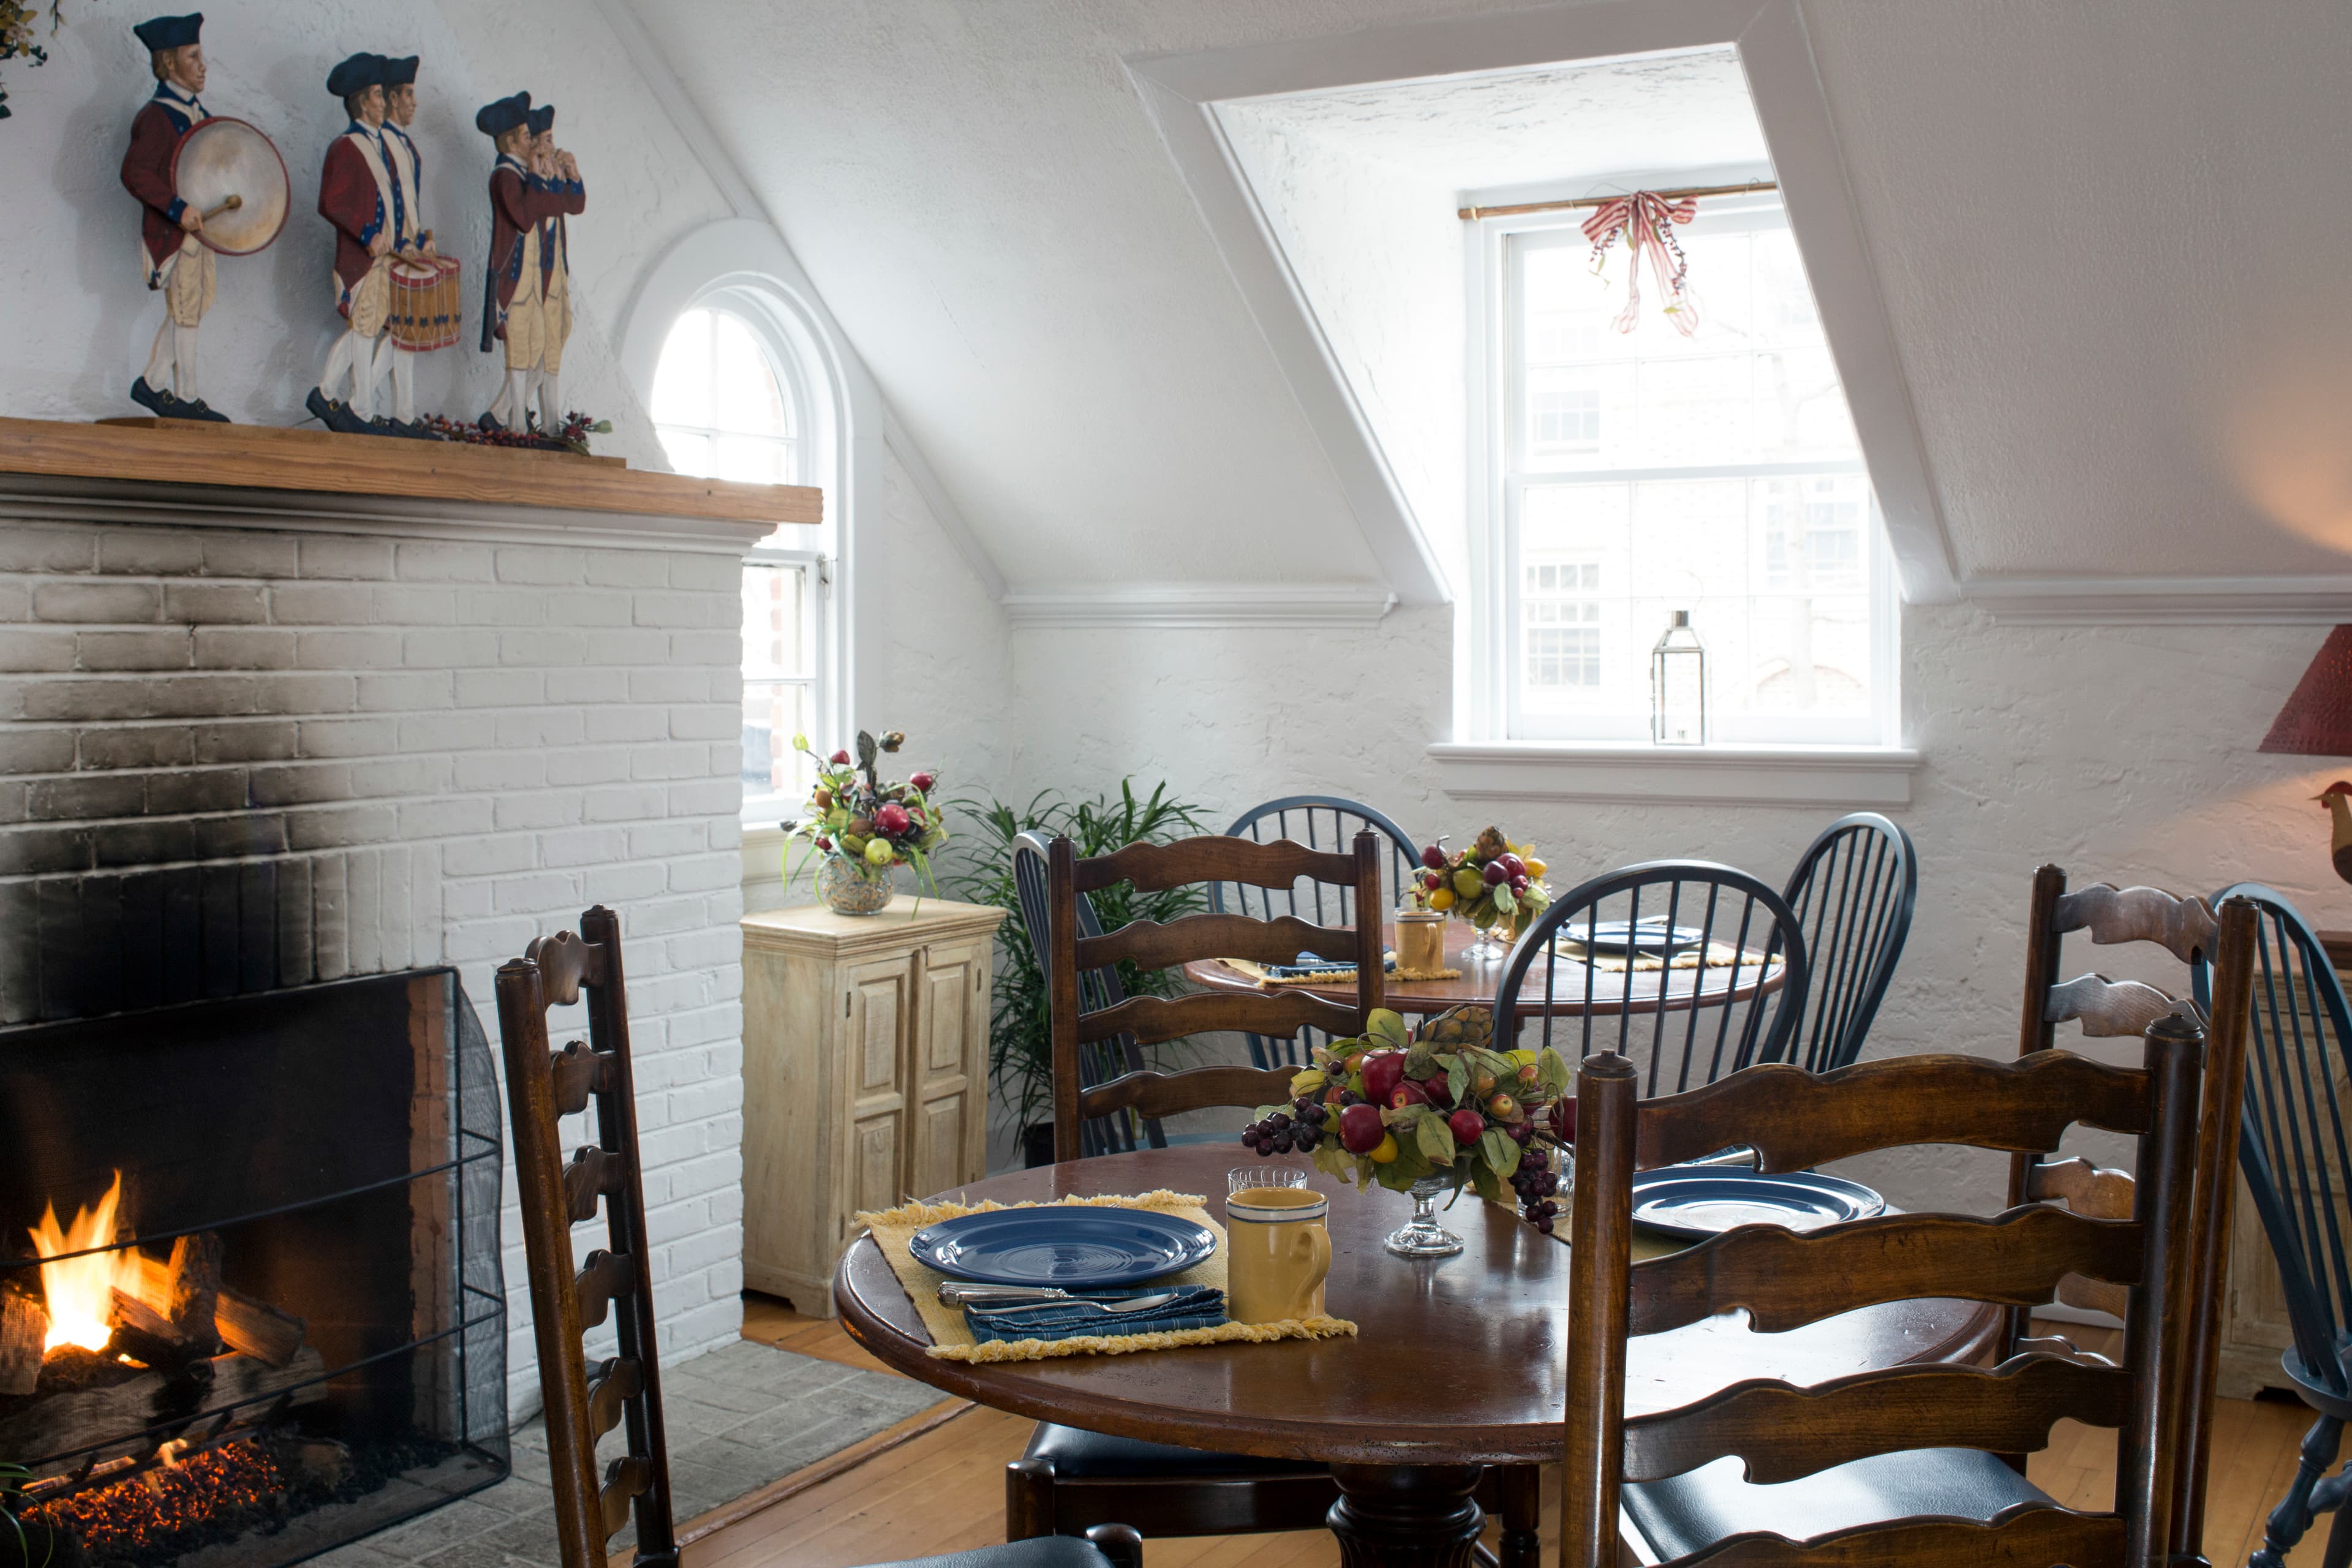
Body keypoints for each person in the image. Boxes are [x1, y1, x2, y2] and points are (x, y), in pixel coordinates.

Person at [119, 13, 227, 421]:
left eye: (202, 56)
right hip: (175, 234)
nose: (203, 65)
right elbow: (135, 173)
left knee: (195, 306)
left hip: (202, 235)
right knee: (185, 310)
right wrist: (178, 208)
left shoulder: (201, 115)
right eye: (193, 56)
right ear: (168, 64)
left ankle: (152, 382)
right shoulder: (157, 117)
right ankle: (186, 397)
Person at [309, 52, 407, 435]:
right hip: (362, 258)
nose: (385, 103)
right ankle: (360, 408)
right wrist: (368, 234)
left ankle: (328, 392)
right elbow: (331, 202)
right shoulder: (347, 146)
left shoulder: (380, 146)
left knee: (366, 329)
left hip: (385, 257)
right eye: (380, 96)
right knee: (364, 330)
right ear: (363, 102)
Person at [475, 91, 578, 431]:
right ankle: (516, 423)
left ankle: (506, 415)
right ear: (511, 142)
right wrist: (538, 176)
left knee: (541, 344)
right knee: (521, 349)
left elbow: (563, 207)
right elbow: (525, 216)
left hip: (539, 276)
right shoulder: (505, 177)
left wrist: (561, 177)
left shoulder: (524, 176)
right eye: (528, 137)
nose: (535, 143)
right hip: (515, 277)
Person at [371, 55, 437, 428]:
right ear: (393, 98)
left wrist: (423, 235)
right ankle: (351, 399)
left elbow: (409, 202)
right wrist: (401, 240)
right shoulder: (381, 142)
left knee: (404, 335)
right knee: (395, 334)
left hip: (407, 247)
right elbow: (384, 202)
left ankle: (403, 414)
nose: (414, 102)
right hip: (391, 251)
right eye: (408, 94)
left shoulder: (406, 145)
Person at [524, 103, 583, 432]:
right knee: (541, 349)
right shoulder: (531, 182)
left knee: (559, 335)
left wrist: (572, 176)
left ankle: (546, 421)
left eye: (551, 140)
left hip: (558, 272)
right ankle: (541, 420)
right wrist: (548, 180)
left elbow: (575, 206)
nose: (552, 148)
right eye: (545, 141)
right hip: (539, 277)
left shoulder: (550, 179)